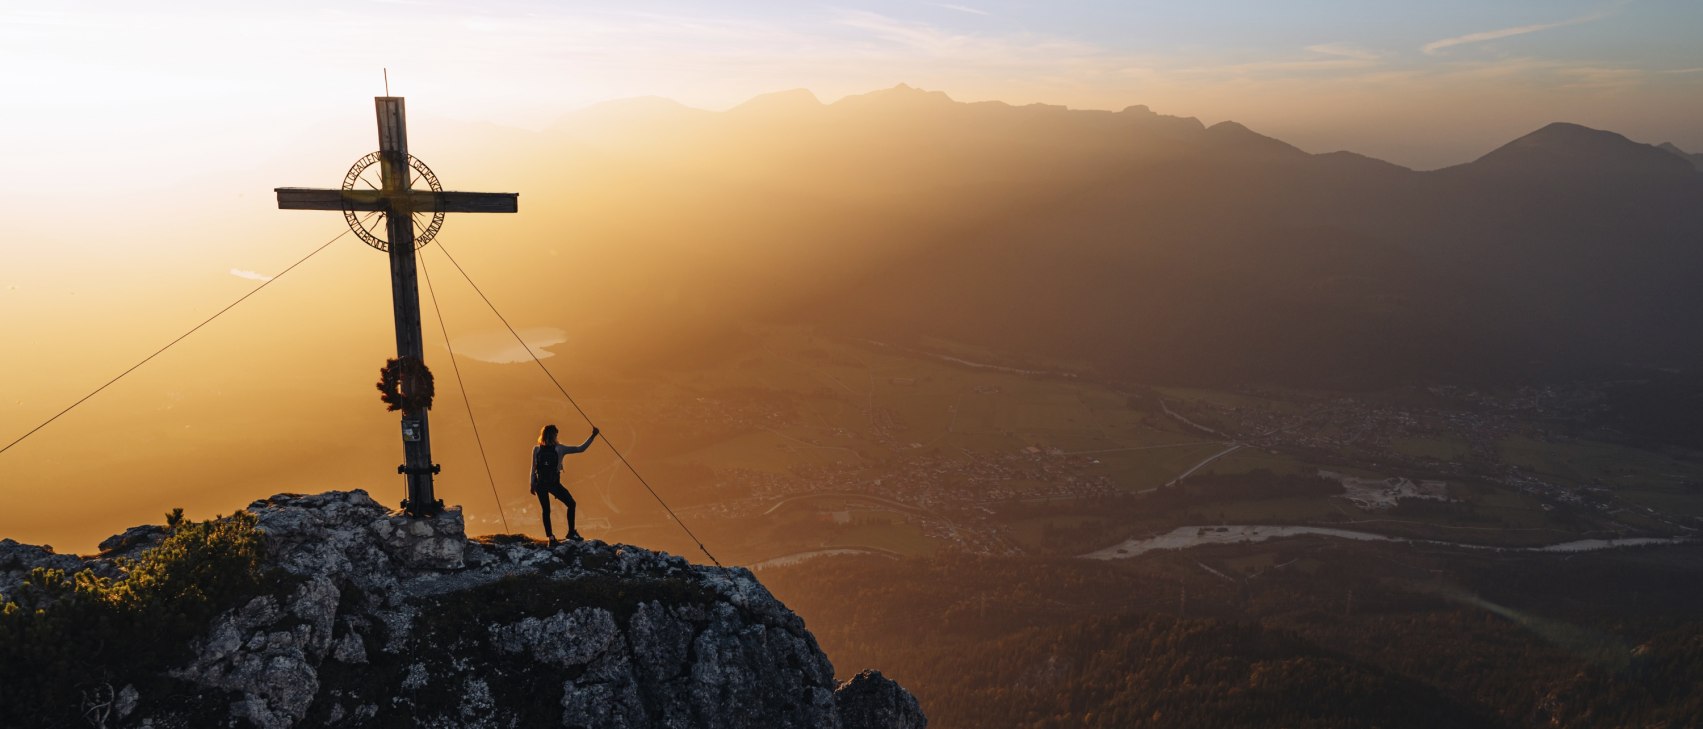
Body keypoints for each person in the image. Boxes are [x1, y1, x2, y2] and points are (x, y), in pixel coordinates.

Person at [531, 423, 599, 546]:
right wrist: (593, 436)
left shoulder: (537, 449)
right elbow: (580, 449)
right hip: (554, 484)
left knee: (546, 511)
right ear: (554, 435)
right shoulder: (559, 449)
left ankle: (551, 539)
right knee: (571, 504)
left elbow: (533, 468)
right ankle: (571, 532)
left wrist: (532, 484)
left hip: (540, 484)